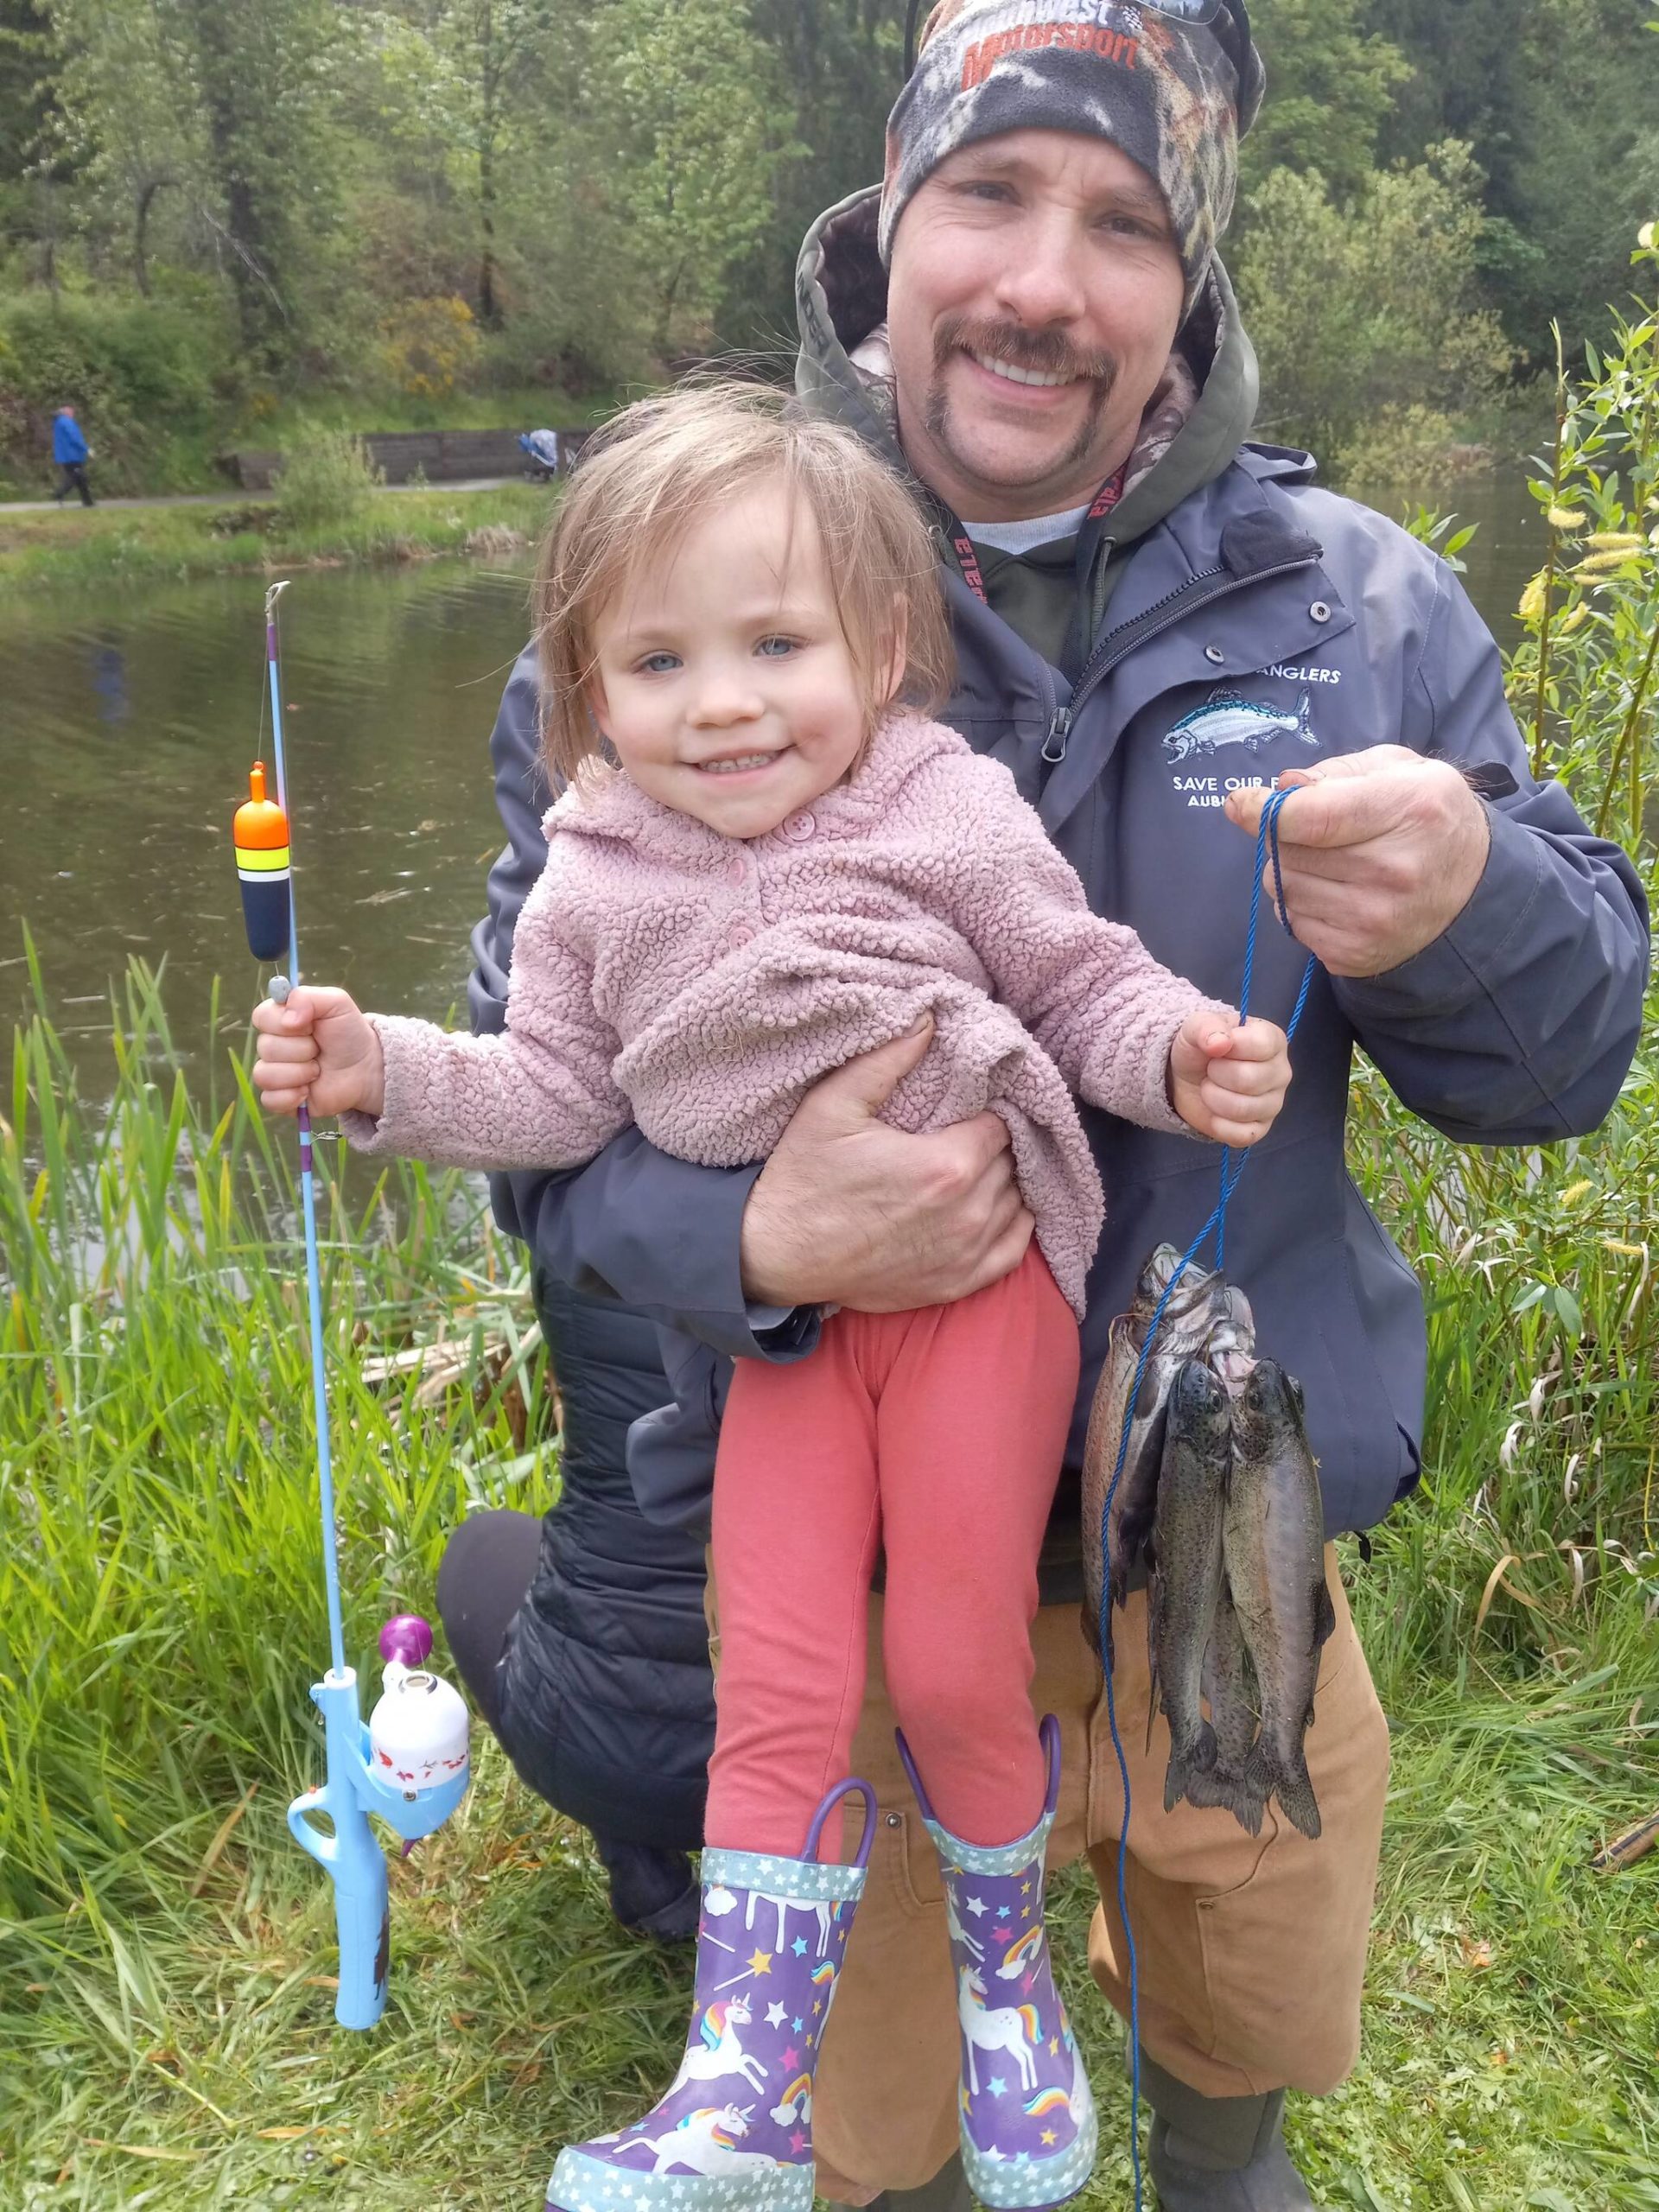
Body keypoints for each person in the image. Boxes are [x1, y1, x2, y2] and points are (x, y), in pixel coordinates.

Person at [448, 3, 1651, 2208]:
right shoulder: (675, 607)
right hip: (850, 1529)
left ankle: (1216, 2153)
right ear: (887, 225)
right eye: (989, 193)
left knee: (1247, 1968)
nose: (1041, 275)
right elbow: (536, 1124)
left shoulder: (1359, 601)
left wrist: (1468, 899)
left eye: (1119, 219)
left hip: (1228, 1508)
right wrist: (748, 1244)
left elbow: (1561, 1064)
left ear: (1184, 278)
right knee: (880, 2121)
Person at [251, 383, 1296, 2212]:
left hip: (980, 1295)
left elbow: (1077, 978)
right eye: (655, 662)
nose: (720, 702)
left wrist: (1184, 1053)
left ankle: (1007, 1985)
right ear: (584, 690)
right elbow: (551, 1093)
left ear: (883, 647)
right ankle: (739, 2081)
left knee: (956, 1660)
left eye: (774, 644)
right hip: (779, 1337)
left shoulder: (944, 807)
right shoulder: (593, 879)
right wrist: (383, 1070)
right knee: (783, 1688)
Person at [51, 404, 94, 507]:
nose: (73, 414)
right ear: (67, 412)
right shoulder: (67, 422)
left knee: (81, 478)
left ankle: (88, 501)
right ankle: (59, 493)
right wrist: (87, 449)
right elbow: (75, 438)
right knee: (74, 476)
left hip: (65, 455)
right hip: (72, 455)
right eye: (71, 412)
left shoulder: (58, 422)